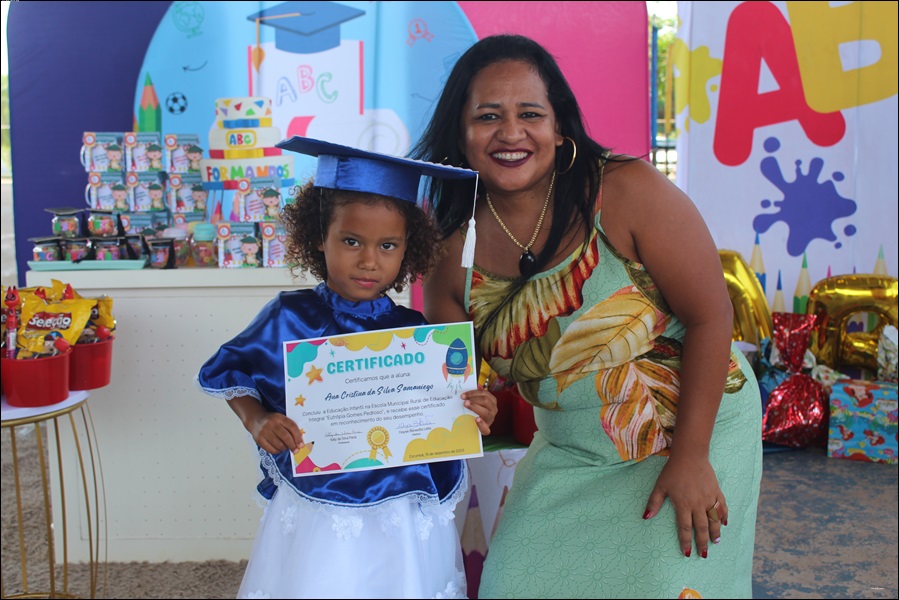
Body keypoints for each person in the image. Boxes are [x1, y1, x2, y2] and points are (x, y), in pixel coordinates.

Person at [412, 34, 763, 599]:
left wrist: (693, 457)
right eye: (487, 116)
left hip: (692, 429)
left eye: (530, 114)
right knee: (510, 586)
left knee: (665, 588)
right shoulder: (450, 253)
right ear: (460, 131)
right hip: (570, 450)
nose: (510, 133)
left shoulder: (625, 190)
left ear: (559, 128)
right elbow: (449, 384)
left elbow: (710, 315)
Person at [196, 136, 497, 600]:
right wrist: (257, 419)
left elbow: (445, 410)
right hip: (322, 498)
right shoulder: (290, 316)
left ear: (408, 249)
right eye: (351, 241)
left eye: (388, 245)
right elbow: (233, 372)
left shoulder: (417, 334)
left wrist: (472, 409)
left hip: (400, 502)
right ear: (320, 237)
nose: (369, 260)